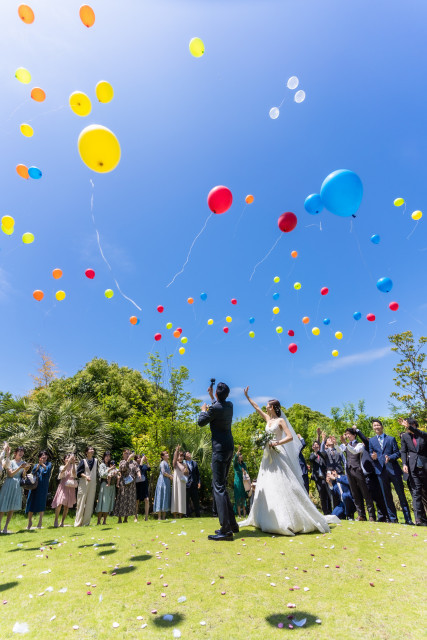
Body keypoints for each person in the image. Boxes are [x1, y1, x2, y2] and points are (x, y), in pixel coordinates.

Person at [240, 389, 340, 535]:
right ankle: (266, 518)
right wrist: (247, 397)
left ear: (273, 407)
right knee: (267, 485)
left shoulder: (280, 421)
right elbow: (256, 408)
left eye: (268, 405)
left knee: (283, 485)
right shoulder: (268, 420)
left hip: (278, 454)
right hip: (267, 457)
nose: (266, 407)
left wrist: (276, 443)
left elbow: (290, 437)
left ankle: (287, 519)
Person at [198, 381, 239, 541]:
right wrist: (212, 396)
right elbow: (219, 405)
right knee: (222, 486)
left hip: (220, 450)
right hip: (229, 448)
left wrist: (203, 410)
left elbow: (201, 422)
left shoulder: (213, 408)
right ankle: (233, 525)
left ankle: (226, 529)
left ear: (217, 394)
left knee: (219, 487)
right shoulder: (230, 406)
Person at [369, 420, 413, 525]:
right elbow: (372, 454)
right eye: (374, 426)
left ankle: (408, 519)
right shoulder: (372, 441)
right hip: (380, 471)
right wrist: (373, 457)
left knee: (401, 495)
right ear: (373, 428)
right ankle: (393, 519)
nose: (376, 427)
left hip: (393, 470)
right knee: (387, 496)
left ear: (382, 426)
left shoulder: (391, 439)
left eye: (378, 425)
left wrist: (390, 457)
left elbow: (397, 453)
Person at [339, 428, 376, 522]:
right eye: (346, 434)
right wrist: (335, 443)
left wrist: (346, 444)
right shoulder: (345, 445)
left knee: (365, 493)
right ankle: (361, 515)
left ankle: (371, 515)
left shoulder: (359, 444)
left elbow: (355, 451)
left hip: (358, 470)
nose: (347, 436)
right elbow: (339, 451)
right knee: (355, 493)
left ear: (354, 435)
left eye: (349, 434)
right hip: (349, 470)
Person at [400, 418, 427, 526]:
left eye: (410, 425)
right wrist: (404, 464)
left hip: (425, 468)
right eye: (407, 425)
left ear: (415, 425)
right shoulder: (405, 437)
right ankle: (419, 519)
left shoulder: (422, 435)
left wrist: (409, 427)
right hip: (413, 468)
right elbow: (403, 451)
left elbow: (420, 433)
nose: (407, 427)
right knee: (416, 493)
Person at [0, 447, 31, 534]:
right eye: (19, 452)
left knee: (12, 507)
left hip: (17, 486)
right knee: (2, 506)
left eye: (22, 452)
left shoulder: (24, 463)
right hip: (9, 484)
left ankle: (6, 527)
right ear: (15, 453)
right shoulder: (11, 462)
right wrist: (19, 468)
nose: (21, 453)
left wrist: (25, 470)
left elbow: (23, 476)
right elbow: (10, 474)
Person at [25, 451, 52, 530]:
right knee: (31, 502)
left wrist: (42, 464)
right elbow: (33, 472)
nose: (44, 456)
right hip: (34, 487)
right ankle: (29, 522)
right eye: (42, 455)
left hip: (43, 487)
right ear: (39, 457)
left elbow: (47, 470)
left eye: (45, 455)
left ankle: (40, 522)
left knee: (41, 503)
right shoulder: (37, 465)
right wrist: (38, 465)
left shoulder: (49, 464)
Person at [74, 446, 98, 527]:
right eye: (90, 449)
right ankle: (78, 523)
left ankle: (86, 523)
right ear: (86, 452)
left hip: (92, 484)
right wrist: (86, 476)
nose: (92, 451)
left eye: (92, 449)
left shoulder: (96, 461)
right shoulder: (83, 461)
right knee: (81, 503)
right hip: (83, 484)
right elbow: (78, 473)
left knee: (90, 503)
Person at [52, 453, 77, 527]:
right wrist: (69, 462)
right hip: (63, 486)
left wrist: (73, 463)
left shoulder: (74, 466)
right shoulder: (62, 466)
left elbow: (74, 474)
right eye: (66, 458)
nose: (68, 459)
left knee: (66, 506)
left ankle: (62, 521)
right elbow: (63, 471)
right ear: (64, 460)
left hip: (70, 487)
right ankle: (56, 520)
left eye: (69, 458)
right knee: (59, 503)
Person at [113, 449, 138, 524]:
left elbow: (137, 469)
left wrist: (139, 473)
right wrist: (128, 459)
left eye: (128, 453)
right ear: (123, 454)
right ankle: (120, 518)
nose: (127, 455)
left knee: (129, 501)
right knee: (122, 500)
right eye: (126, 453)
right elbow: (123, 468)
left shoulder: (134, 462)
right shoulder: (122, 462)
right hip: (123, 484)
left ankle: (126, 518)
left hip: (131, 485)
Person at [309, 441, 331, 514]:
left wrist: (318, 451)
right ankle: (325, 512)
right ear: (312, 447)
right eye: (314, 446)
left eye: (317, 445)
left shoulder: (322, 454)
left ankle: (331, 511)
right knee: (322, 496)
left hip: (325, 478)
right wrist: (315, 452)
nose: (316, 446)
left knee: (328, 494)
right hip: (318, 478)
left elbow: (324, 457)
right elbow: (311, 459)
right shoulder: (312, 455)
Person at [96, 451, 117, 525]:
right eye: (106, 456)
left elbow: (116, 473)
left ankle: (104, 521)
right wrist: (110, 469)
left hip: (111, 486)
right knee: (102, 502)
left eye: (109, 456)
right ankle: (98, 521)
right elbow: (102, 475)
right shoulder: (102, 465)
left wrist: (115, 473)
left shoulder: (111, 464)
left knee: (108, 503)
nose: (108, 458)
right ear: (104, 457)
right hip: (104, 485)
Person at [153, 451, 173, 520]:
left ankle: (164, 517)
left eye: (167, 453)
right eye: (166, 454)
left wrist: (172, 476)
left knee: (165, 497)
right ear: (162, 456)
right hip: (162, 482)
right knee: (161, 496)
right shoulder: (162, 463)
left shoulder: (167, 463)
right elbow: (163, 472)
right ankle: (159, 517)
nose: (167, 455)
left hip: (166, 482)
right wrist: (170, 476)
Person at [171, 446, 188, 518]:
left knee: (181, 497)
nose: (180, 457)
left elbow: (187, 473)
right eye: (179, 456)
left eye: (182, 456)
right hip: (176, 482)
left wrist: (186, 468)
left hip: (182, 482)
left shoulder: (184, 464)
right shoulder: (175, 463)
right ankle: (175, 515)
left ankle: (181, 515)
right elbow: (174, 460)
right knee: (175, 497)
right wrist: (177, 450)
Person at [184, 451, 200, 517]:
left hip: (194, 484)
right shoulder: (183, 463)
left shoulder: (194, 463)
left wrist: (199, 482)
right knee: (186, 500)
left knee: (196, 500)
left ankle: (198, 514)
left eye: (189, 453)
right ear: (185, 456)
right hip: (186, 484)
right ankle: (187, 514)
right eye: (187, 453)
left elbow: (198, 474)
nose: (189, 454)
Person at [233, 446, 248, 517]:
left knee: (243, 497)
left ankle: (244, 514)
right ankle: (239, 514)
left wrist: (244, 471)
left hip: (243, 482)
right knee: (238, 497)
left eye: (241, 455)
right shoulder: (236, 464)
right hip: (237, 481)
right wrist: (238, 450)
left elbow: (246, 472)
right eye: (240, 455)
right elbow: (234, 459)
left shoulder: (244, 464)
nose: (241, 456)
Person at [135, 454, 150, 522]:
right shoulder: (135, 466)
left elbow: (149, 469)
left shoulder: (144, 465)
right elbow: (139, 469)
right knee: (137, 501)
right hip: (138, 484)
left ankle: (146, 517)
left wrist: (146, 461)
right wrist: (142, 461)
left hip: (145, 484)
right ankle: (135, 517)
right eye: (138, 458)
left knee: (146, 499)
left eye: (140, 458)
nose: (140, 459)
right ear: (135, 460)